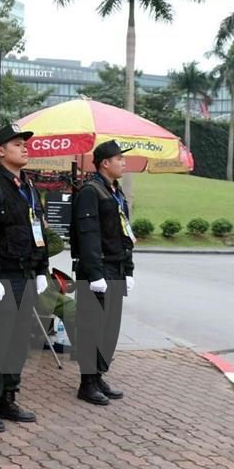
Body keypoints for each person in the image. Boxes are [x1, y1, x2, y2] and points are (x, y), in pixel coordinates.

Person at [0, 124, 49, 433]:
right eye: (17, 144)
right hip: (1, 276)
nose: (24, 148)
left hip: (26, 273)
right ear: (1, 151)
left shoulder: (28, 187)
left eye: (25, 144)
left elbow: (37, 231)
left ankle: (8, 397)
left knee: (18, 341)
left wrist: (42, 269)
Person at [71, 139, 134, 406]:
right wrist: (95, 273)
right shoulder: (91, 191)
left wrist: (129, 269)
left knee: (109, 329)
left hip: (116, 267)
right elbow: (88, 236)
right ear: (105, 163)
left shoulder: (114, 191)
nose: (124, 163)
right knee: (92, 328)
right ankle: (87, 382)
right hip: (98, 270)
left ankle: (98, 376)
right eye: (119, 158)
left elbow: (124, 233)